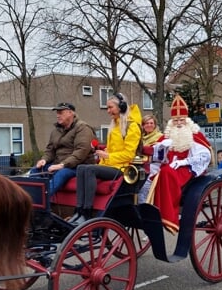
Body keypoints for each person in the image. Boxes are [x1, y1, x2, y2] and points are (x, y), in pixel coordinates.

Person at [69, 93, 142, 224]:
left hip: (122, 168)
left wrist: (108, 156)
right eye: (107, 108)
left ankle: (87, 212)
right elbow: (114, 148)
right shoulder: (114, 125)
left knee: (90, 170)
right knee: (81, 168)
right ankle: (79, 210)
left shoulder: (132, 126)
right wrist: (106, 152)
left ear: (122, 107)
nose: (108, 111)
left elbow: (129, 154)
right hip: (110, 165)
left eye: (110, 107)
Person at [147, 95, 211, 233]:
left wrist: (184, 161)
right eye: (176, 120)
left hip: (187, 167)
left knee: (167, 173)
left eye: (181, 119)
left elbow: (205, 155)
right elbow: (157, 153)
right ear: (172, 121)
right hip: (169, 165)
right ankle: (156, 209)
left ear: (187, 120)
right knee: (154, 175)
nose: (179, 123)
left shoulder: (195, 135)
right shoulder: (166, 136)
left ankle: (171, 214)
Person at [32, 102, 96, 199]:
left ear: (71, 113)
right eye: (57, 113)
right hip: (59, 164)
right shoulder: (56, 131)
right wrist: (44, 160)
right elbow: (50, 150)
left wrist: (62, 165)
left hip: (78, 166)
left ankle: (41, 200)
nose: (58, 116)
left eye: (61, 113)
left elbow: (81, 152)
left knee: (62, 173)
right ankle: (33, 198)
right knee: (35, 170)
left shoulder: (83, 128)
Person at [138, 114, 164, 203]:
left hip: (155, 164)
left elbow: (160, 156)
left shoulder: (160, 137)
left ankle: (144, 203)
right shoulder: (140, 138)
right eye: (146, 123)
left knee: (144, 179)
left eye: (151, 123)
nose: (149, 125)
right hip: (139, 163)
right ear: (143, 126)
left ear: (155, 125)